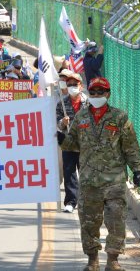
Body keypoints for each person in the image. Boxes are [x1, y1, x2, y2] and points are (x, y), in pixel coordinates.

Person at [58, 77, 140, 271]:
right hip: (89, 181)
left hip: (115, 181)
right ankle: (92, 261)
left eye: (100, 92)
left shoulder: (120, 118)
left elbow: (130, 146)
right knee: (89, 221)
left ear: (108, 94)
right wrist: (61, 135)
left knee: (116, 220)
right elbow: (72, 145)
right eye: (93, 92)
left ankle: (113, 260)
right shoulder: (81, 117)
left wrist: (137, 169)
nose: (96, 96)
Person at [56, 71, 87, 214]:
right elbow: (58, 124)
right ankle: (70, 201)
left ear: (80, 86)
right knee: (69, 173)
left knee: (86, 173)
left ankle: (86, 201)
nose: (72, 87)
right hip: (68, 143)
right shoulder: (61, 103)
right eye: (69, 85)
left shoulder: (88, 103)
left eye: (75, 84)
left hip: (85, 144)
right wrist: (62, 122)